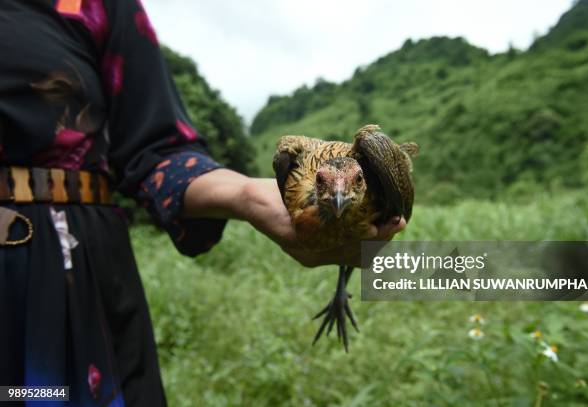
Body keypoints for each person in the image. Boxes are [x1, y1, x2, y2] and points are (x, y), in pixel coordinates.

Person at [0, 0, 405, 405]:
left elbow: (155, 150)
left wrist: (247, 196)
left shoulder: (96, 7)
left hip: (74, 269)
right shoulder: (299, 159)